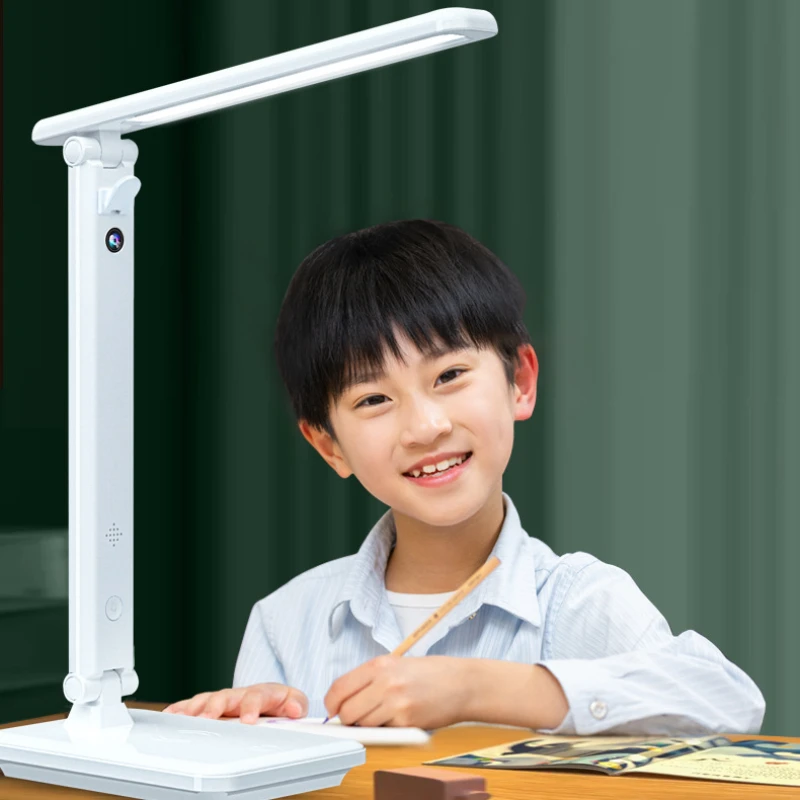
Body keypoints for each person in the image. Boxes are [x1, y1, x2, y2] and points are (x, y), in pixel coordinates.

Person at [163, 219, 765, 735]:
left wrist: (474, 689)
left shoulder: (577, 599)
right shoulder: (285, 619)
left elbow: (728, 700)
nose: (424, 427)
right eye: (373, 400)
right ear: (328, 445)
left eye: (449, 375)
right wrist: (237, 740)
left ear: (520, 382)